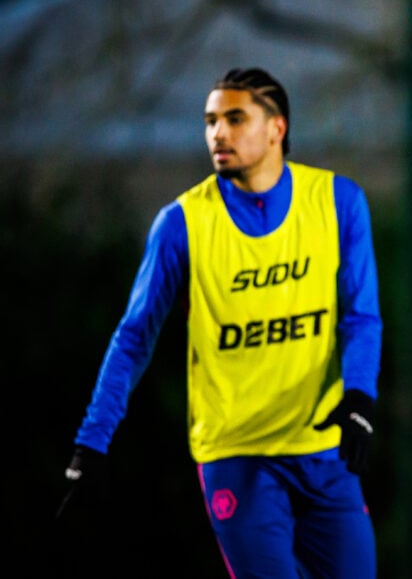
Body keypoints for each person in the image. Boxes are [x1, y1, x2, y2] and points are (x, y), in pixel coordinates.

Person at [56, 67, 383, 578]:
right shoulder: (182, 222)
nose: (218, 133)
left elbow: (361, 316)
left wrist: (359, 396)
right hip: (236, 455)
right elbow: (134, 336)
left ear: (277, 128)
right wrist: (92, 441)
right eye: (210, 121)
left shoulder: (339, 202)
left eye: (235, 118)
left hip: (322, 449)